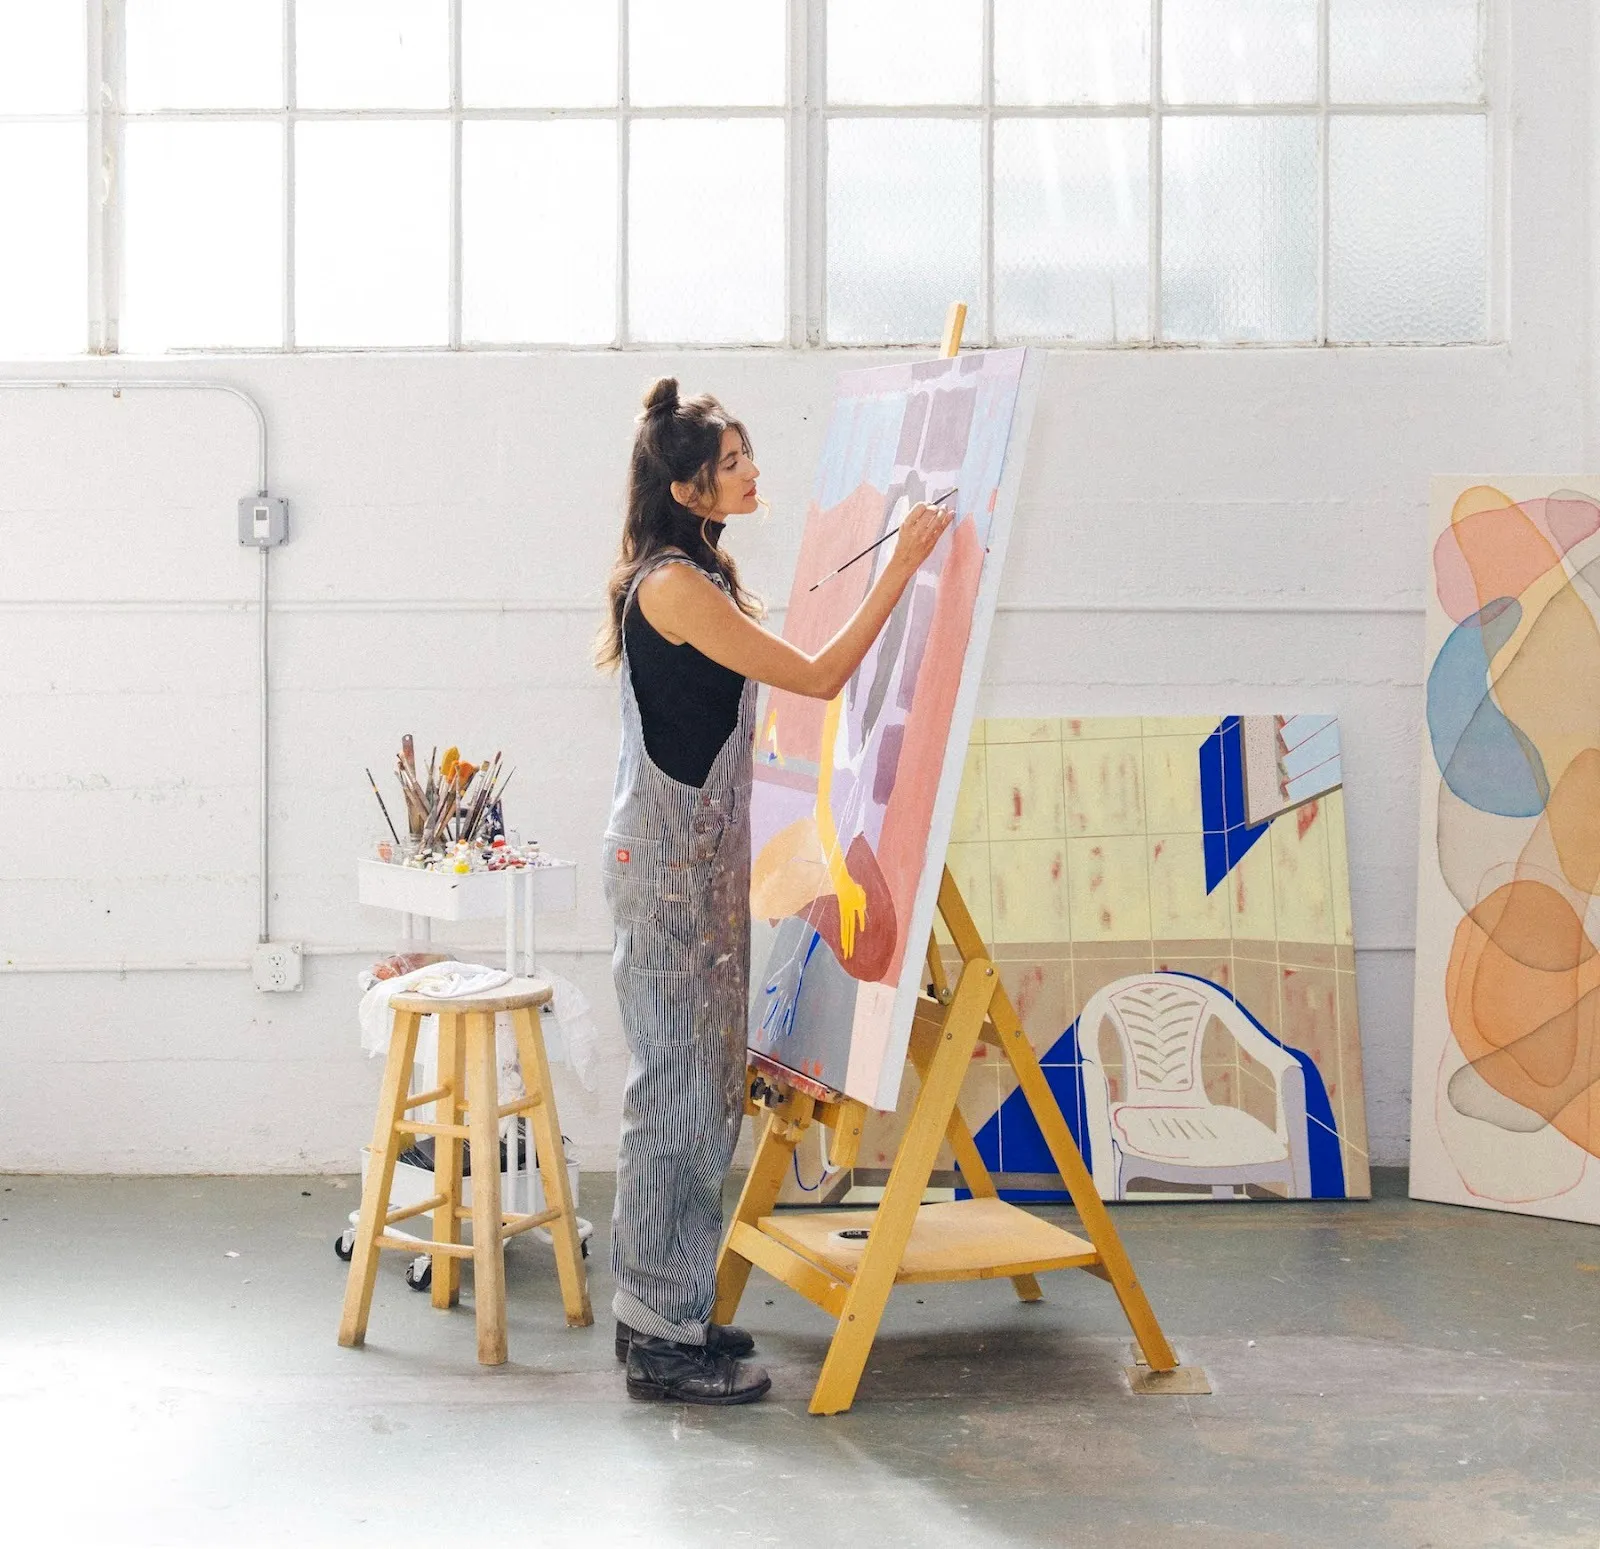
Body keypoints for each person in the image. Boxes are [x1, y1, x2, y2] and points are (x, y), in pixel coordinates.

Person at [594, 377, 954, 1404]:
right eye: (735, 463)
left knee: (700, 1092)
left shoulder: (696, 572)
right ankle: (659, 1333)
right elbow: (822, 674)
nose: (754, 474)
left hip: (688, 868)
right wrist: (907, 566)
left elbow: (784, 661)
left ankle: (664, 1309)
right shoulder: (670, 586)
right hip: (667, 873)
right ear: (688, 485)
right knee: (674, 1092)